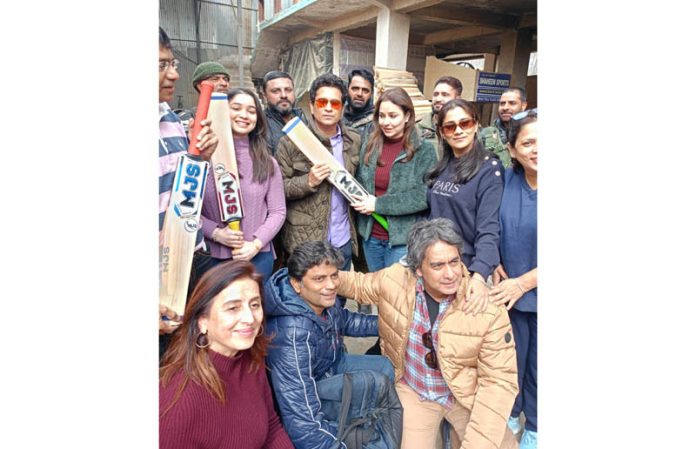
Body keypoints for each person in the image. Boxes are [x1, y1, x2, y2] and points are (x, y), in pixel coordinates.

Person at [337, 218, 519, 449]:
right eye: (438, 265)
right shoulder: (396, 280)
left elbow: (498, 383)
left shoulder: (485, 307)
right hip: (415, 390)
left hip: (467, 396)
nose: (451, 273)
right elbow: (356, 284)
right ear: (417, 269)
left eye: (454, 262)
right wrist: (308, 278)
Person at [264, 240, 394, 449]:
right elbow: (301, 419)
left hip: (332, 365)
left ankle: (368, 419)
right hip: (315, 388)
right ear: (297, 284)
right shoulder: (292, 334)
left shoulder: (321, 301)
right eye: (319, 279)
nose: (331, 285)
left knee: (385, 367)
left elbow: (348, 321)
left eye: (334, 275)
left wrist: (394, 325)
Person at [159, 260, 293, 449]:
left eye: (254, 305)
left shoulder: (248, 357)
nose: (250, 318)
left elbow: (271, 427)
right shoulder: (177, 408)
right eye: (233, 308)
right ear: (202, 321)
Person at [159, 27, 218, 357]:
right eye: (161, 65)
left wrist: (201, 159)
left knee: (188, 356)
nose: (174, 74)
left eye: (173, 62)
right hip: (159, 275)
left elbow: (182, 192)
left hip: (189, 258)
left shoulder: (169, 118)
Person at [275, 73, 361, 272]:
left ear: (342, 108)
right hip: (305, 241)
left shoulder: (354, 140)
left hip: (343, 239)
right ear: (312, 106)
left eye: (335, 103)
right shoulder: (291, 142)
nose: (329, 108)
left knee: (339, 296)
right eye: (322, 102)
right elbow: (278, 189)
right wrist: (308, 181)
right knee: (306, 299)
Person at [199, 87, 286, 283]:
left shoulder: (267, 162)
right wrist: (216, 233)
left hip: (258, 257)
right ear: (222, 112)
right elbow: (187, 211)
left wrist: (256, 244)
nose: (244, 115)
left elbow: (278, 211)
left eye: (251, 110)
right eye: (236, 108)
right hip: (212, 259)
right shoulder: (203, 158)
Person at [490, 109, 538, 449]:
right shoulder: (504, 181)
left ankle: (535, 429)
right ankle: (509, 415)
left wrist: (524, 283)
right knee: (511, 362)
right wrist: (492, 261)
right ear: (512, 149)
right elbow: (487, 226)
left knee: (541, 367)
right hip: (508, 295)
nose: (538, 149)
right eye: (529, 142)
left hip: (530, 289)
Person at [426, 98, 503, 306]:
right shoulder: (443, 166)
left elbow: (489, 227)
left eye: (465, 123)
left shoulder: (489, 169)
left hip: (464, 268)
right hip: (436, 265)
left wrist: (479, 274)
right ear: (442, 132)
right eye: (450, 127)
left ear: (477, 125)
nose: (458, 131)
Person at [352, 87, 437, 273]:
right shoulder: (370, 145)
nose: (386, 122)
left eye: (393, 115)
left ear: (407, 116)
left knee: (397, 297)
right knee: (379, 295)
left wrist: (378, 204)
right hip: (370, 235)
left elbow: (424, 195)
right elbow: (361, 182)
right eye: (382, 116)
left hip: (401, 239)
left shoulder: (424, 149)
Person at [478, 87, 528, 168]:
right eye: (502, 103)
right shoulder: (486, 134)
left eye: (512, 103)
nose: (505, 108)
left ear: (523, 105)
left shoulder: (532, 134)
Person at [262, 70, 308, 155]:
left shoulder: (304, 118)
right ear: (265, 96)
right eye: (276, 91)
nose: (283, 95)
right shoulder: (260, 125)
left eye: (288, 90)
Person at [417, 76, 462, 157]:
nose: (438, 99)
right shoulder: (417, 128)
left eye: (445, 95)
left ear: (457, 99)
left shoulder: (465, 130)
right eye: (435, 94)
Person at [342, 68, 376, 142]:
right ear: (348, 89)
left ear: (371, 93)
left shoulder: (377, 123)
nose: (359, 94)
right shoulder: (338, 118)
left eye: (365, 90)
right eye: (355, 89)